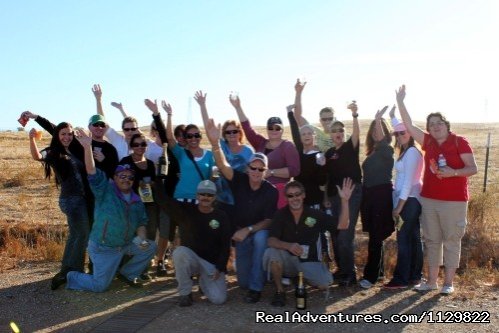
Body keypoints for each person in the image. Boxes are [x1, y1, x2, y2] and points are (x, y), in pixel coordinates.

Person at [396, 85, 477, 295]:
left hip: (455, 201)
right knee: (432, 240)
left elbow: (473, 168)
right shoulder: (428, 142)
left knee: (451, 240)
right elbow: (409, 125)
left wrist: (453, 173)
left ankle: (448, 283)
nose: (435, 126)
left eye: (439, 123)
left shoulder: (460, 142)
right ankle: (431, 281)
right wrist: (401, 101)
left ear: (446, 125)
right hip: (429, 200)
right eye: (431, 124)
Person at [59, 129, 156, 292]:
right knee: (100, 286)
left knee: (150, 247)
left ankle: (128, 273)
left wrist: (142, 239)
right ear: (115, 178)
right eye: (122, 176)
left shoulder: (136, 200)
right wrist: (87, 148)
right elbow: (91, 170)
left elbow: (141, 223)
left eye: (130, 177)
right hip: (104, 248)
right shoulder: (105, 190)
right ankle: (71, 276)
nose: (126, 179)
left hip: (124, 245)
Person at [206, 118, 278, 303]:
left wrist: (250, 229)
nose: (255, 171)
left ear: (265, 171)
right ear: (247, 168)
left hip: (257, 231)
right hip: (241, 232)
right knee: (242, 282)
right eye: (253, 167)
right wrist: (215, 143)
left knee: (261, 239)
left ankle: (256, 288)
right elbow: (222, 166)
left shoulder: (271, 191)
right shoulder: (239, 180)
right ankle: (255, 279)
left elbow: (269, 220)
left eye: (260, 169)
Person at [264, 178, 354, 306]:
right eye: (290, 195)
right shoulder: (280, 215)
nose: (294, 198)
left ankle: (299, 280)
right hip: (287, 261)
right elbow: (271, 240)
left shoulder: (315, 214)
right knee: (272, 252)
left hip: (308, 261)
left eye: (297, 194)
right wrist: (288, 246)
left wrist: (345, 201)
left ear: (303, 195)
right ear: (286, 198)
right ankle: (280, 291)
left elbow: (343, 225)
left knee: (325, 283)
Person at [28, 122, 92, 290]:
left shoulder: (72, 150)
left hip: (78, 199)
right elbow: (37, 157)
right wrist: (31, 139)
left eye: (69, 134)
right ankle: (75, 271)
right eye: (63, 134)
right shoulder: (54, 152)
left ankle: (66, 270)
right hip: (72, 200)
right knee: (83, 234)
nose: (67, 137)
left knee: (75, 234)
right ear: (57, 135)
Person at [194, 91, 254, 224]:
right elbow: (209, 128)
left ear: (240, 133)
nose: (231, 134)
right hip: (220, 196)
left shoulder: (248, 152)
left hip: (240, 197)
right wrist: (202, 105)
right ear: (224, 134)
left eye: (235, 131)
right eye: (228, 132)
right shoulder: (221, 145)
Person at [230, 94, 300, 208]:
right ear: (267, 129)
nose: (274, 130)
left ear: (282, 130)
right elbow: (248, 129)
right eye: (270, 128)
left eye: (277, 128)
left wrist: (271, 172)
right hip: (259, 190)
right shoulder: (261, 143)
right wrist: (238, 107)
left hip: (279, 192)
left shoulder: (287, 146)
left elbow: (294, 170)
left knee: (276, 222)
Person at [170, 180, 232, 306]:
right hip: (192, 260)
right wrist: (160, 180)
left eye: (209, 195)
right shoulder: (187, 211)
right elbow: (165, 202)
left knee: (219, 299)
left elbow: (226, 244)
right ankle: (185, 293)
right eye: (203, 194)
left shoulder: (221, 216)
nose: (205, 197)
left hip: (211, 264)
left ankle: (203, 282)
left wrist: (220, 267)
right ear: (197, 195)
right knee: (179, 253)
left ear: (214, 197)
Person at [383, 107, 424, 289]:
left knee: (404, 239)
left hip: (408, 202)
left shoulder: (413, 153)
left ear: (411, 133)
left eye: (403, 133)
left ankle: (401, 279)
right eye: (397, 134)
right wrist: (392, 117)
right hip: (410, 201)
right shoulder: (407, 150)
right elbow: (401, 127)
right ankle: (414, 276)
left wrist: (398, 207)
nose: (399, 136)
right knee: (413, 238)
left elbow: (407, 182)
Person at [119, 133, 169, 277]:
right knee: (132, 235)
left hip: (149, 204)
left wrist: (152, 184)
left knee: (151, 234)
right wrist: (136, 183)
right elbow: (118, 180)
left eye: (143, 144)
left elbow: (156, 182)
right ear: (131, 146)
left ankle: (143, 267)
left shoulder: (150, 164)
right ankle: (126, 266)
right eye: (136, 144)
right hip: (131, 204)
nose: (140, 147)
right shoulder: (125, 162)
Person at [323, 102, 362, 286]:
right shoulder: (330, 152)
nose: (337, 133)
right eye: (334, 130)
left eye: (340, 129)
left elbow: (356, 134)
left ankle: (350, 274)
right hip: (334, 197)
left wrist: (354, 115)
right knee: (337, 234)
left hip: (352, 193)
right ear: (330, 135)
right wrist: (327, 199)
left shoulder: (349, 147)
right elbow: (328, 177)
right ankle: (342, 270)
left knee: (346, 234)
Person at [358, 107, 395, 289]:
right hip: (370, 197)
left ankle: (370, 277)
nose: (375, 132)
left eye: (378, 129)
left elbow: (381, 139)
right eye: (372, 129)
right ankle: (379, 273)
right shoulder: (372, 152)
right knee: (375, 236)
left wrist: (378, 119)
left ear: (385, 132)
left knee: (375, 237)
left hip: (380, 196)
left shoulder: (386, 149)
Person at [165, 98, 214, 203]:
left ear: (201, 137)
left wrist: (202, 105)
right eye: (189, 136)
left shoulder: (209, 155)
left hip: (200, 201)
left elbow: (212, 178)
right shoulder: (181, 153)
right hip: (180, 197)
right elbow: (169, 138)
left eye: (196, 135)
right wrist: (169, 115)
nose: (193, 139)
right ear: (186, 138)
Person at [92, 84, 140, 160]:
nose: (130, 132)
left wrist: (121, 110)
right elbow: (103, 122)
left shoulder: (143, 144)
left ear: (137, 129)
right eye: (127, 129)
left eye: (133, 129)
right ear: (123, 129)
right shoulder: (117, 139)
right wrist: (98, 100)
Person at [292, 79, 335, 152]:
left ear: (334, 119)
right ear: (320, 120)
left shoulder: (343, 134)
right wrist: (298, 93)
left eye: (330, 119)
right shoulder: (314, 131)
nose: (327, 121)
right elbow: (297, 116)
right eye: (324, 119)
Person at [87, 114, 119, 179]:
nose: (99, 127)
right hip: (86, 187)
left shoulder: (111, 149)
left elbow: (116, 173)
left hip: (106, 187)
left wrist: (104, 161)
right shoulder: (85, 145)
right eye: (96, 124)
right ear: (89, 127)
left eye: (102, 125)